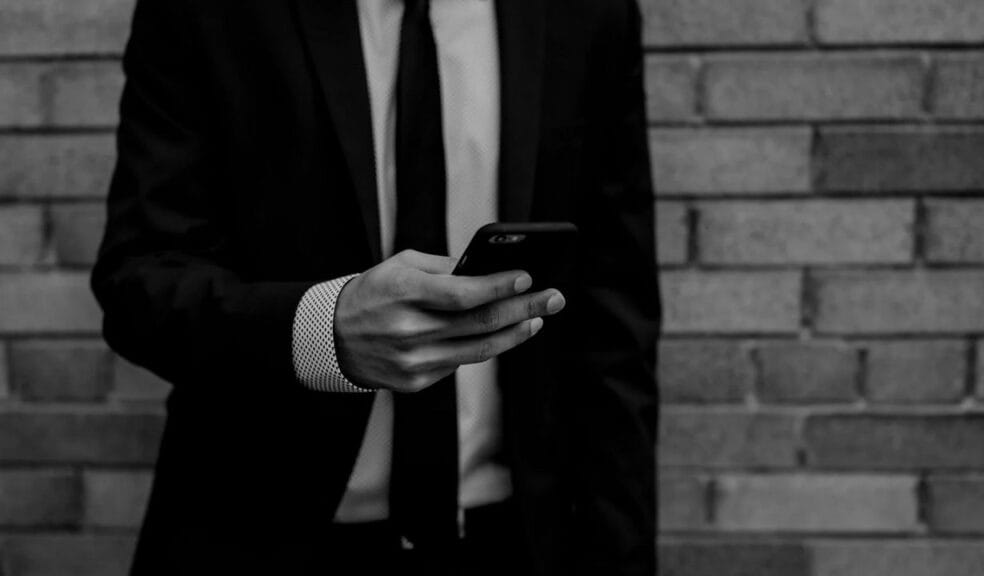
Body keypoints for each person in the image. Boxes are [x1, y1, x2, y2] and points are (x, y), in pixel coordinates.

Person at [91, 0, 660, 574]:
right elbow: (140, 278)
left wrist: (622, 548)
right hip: (264, 531)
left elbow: (616, 309)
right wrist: (320, 332)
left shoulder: (587, 12)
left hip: (520, 535)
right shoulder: (206, 13)